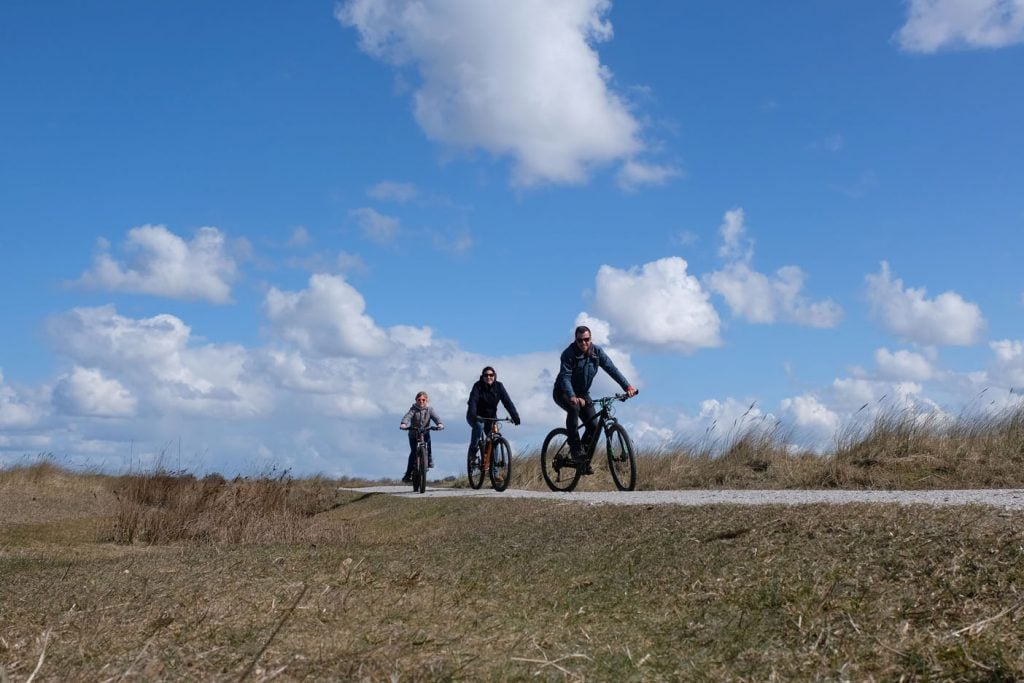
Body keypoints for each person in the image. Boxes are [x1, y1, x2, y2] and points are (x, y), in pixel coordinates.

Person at [552, 325, 637, 471]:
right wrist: (572, 396)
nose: (584, 343)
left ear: (590, 339)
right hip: (563, 392)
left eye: (587, 339)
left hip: (583, 393)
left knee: (593, 426)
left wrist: (627, 387)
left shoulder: (597, 352)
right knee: (574, 408)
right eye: (580, 340)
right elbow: (565, 378)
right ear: (576, 340)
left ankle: (582, 461)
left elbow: (612, 369)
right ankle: (575, 449)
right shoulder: (568, 354)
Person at [466, 366, 521, 467]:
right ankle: (473, 453)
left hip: (490, 417)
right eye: (486, 375)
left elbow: (507, 402)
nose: (488, 377)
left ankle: (495, 473)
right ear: (482, 377)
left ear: (494, 376)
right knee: (479, 426)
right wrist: (473, 415)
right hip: (475, 416)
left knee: (494, 440)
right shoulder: (477, 386)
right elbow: (472, 401)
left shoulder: (499, 387)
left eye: (491, 375)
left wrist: (515, 416)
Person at [399, 391, 444, 483]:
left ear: (427, 400)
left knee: (428, 443)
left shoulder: (429, 409)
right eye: (419, 400)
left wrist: (439, 424)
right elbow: (407, 416)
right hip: (413, 433)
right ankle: (408, 474)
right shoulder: (413, 409)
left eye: (423, 400)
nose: (421, 402)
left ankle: (429, 459)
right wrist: (404, 424)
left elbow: (436, 417)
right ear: (416, 400)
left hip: (425, 431)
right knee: (413, 452)